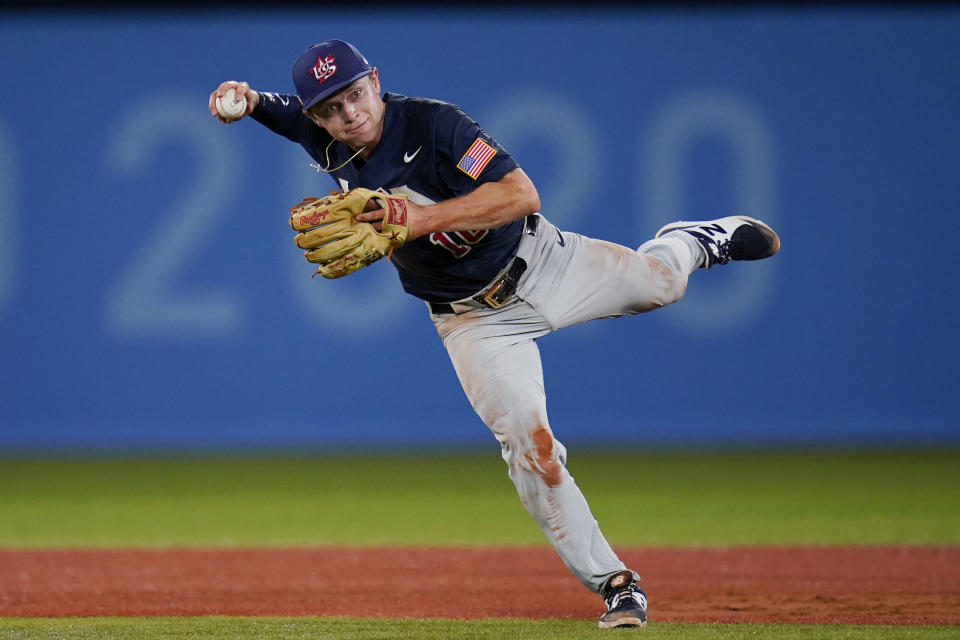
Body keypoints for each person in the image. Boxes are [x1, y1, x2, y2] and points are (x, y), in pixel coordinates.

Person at [208, 39, 779, 629]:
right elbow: (283, 112)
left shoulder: (437, 125)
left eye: (355, 94)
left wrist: (418, 220)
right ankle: (615, 582)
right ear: (316, 116)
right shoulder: (321, 136)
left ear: (375, 81)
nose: (348, 113)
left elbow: (520, 194)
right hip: (471, 319)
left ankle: (688, 242)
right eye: (329, 108)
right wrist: (249, 102)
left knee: (663, 285)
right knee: (531, 448)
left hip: (543, 260)